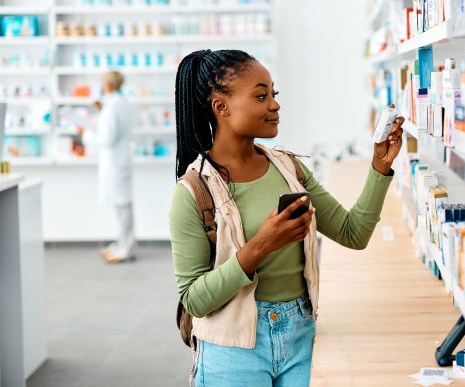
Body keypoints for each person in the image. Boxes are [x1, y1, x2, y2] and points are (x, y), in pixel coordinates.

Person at [169, 49, 404, 387]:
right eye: (261, 96)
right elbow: (194, 298)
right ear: (221, 107)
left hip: (300, 335)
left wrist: (380, 165)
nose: (274, 105)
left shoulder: (289, 169)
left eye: (273, 95)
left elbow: (354, 233)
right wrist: (261, 245)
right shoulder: (193, 193)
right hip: (233, 350)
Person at [82, 70, 137, 263]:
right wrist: (101, 111)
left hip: (115, 160)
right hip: (118, 160)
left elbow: (107, 138)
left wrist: (87, 133)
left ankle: (126, 249)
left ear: (107, 85)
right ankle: (122, 243)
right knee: (120, 204)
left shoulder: (113, 106)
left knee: (122, 205)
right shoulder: (119, 103)